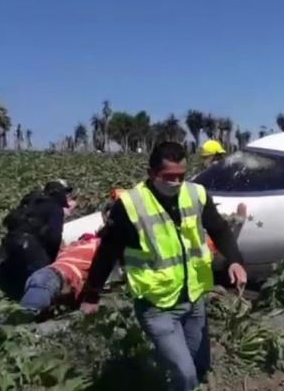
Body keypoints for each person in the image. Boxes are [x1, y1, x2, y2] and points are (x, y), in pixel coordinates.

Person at [80, 141, 247, 391]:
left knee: (199, 367)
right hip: (156, 305)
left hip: (193, 298)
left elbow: (219, 229)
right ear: (152, 174)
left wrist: (235, 260)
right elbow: (107, 252)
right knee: (185, 374)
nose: (177, 183)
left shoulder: (196, 194)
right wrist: (91, 293)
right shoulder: (130, 205)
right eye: (169, 177)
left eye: (181, 176)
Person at [19, 196, 121, 314]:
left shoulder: (85, 243)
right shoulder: (94, 244)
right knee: (23, 319)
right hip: (51, 279)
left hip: (51, 279)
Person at [0, 179, 77, 299]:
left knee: (16, 272)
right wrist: (53, 260)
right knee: (42, 278)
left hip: (11, 240)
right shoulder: (54, 207)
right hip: (29, 244)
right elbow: (54, 237)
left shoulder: (32, 201)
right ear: (59, 193)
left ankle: (6, 295)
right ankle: (32, 308)